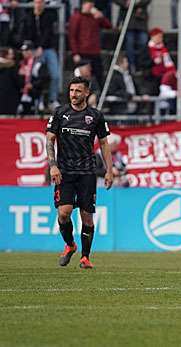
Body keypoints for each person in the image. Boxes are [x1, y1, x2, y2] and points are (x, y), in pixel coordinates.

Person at [46, 76, 113, 269]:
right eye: (71, 90)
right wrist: (53, 165)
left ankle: (85, 257)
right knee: (64, 213)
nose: (73, 94)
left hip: (87, 172)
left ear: (86, 93)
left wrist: (109, 171)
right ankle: (70, 245)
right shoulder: (60, 113)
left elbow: (104, 144)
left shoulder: (96, 116)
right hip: (65, 171)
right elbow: (50, 140)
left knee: (87, 215)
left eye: (78, 91)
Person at [18, 0, 60, 110]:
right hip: (33, 50)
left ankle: (53, 99)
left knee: (55, 74)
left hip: (48, 48)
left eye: (41, 2)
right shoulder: (28, 17)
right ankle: (37, 100)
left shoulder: (49, 16)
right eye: (37, 2)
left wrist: (41, 46)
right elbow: (24, 34)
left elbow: (48, 33)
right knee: (36, 76)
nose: (39, 5)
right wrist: (31, 48)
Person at [68, 0, 112, 89]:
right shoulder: (76, 17)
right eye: (89, 5)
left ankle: (101, 97)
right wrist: (75, 53)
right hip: (82, 52)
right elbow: (72, 36)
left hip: (95, 52)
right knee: (82, 78)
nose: (91, 7)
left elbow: (108, 26)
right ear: (84, 5)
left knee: (100, 76)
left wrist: (101, 17)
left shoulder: (95, 17)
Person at [114, 0, 151, 73]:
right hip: (128, 20)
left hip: (141, 21)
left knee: (143, 42)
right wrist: (126, 3)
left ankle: (141, 64)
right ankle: (131, 65)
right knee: (129, 44)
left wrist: (136, 2)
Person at [148, 27, 175, 95]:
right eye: (158, 37)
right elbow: (144, 63)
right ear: (153, 37)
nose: (160, 39)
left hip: (165, 75)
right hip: (153, 76)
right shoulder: (147, 49)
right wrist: (154, 62)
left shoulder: (165, 47)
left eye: (161, 37)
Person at [0, 47, 23, 115]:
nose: (13, 55)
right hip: (10, 98)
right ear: (5, 55)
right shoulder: (13, 66)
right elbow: (19, 82)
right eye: (11, 54)